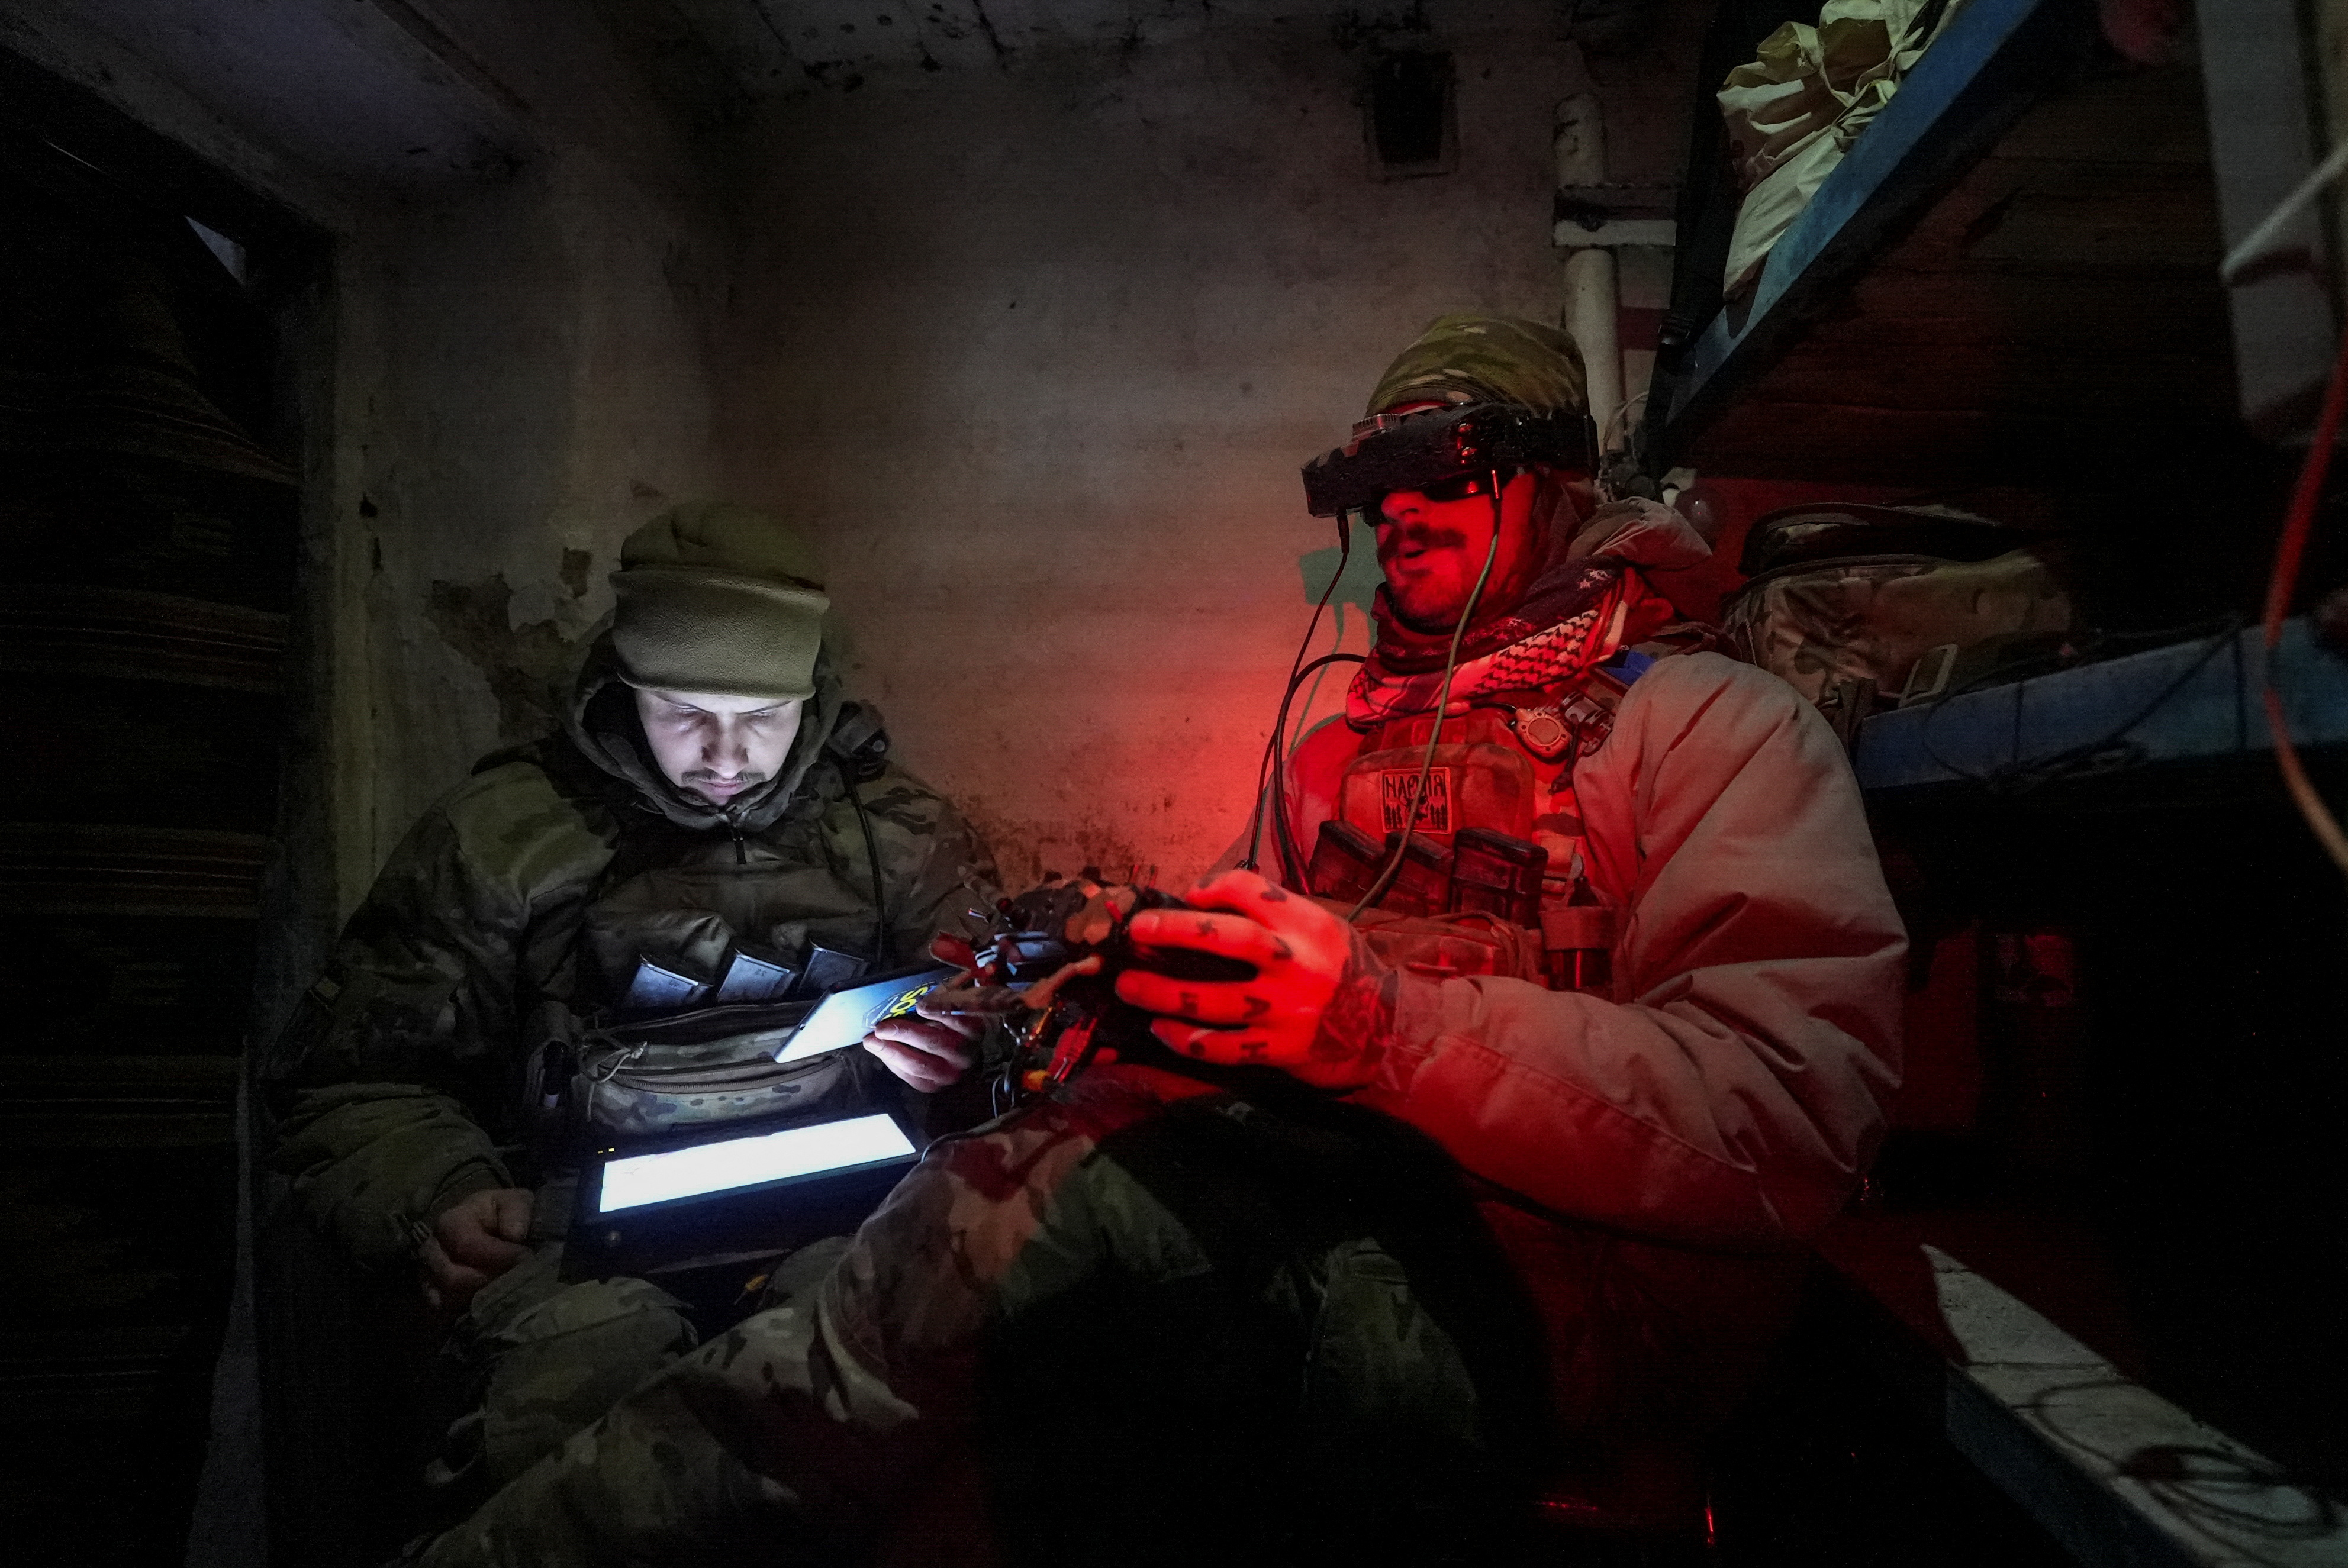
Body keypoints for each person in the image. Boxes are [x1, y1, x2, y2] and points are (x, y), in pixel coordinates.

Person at [397, 321, 1904, 1567]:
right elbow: (1253, 999)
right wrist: (1102, 995)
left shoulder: (1704, 730)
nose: (1398, 509)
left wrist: (1382, 1026)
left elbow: (1793, 1114)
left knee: (991, 1275)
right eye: (1369, 479)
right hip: (1322, 1202)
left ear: (1564, 482)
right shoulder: (1337, 743)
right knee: (930, 1281)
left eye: (1450, 468)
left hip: (1573, 1282)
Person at [263, 502, 997, 1498]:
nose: (726, 754)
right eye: (685, 711)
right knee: (591, 1393)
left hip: (840, 1213)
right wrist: (438, 1196)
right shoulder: (507, 839)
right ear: (623, 684)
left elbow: (1014, 1041)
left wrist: (963, 1058)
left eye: (764, 719)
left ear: (812, 699)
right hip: (574, 1243)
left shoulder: (897, 835)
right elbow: (355, 1077)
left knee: (868, 1378)